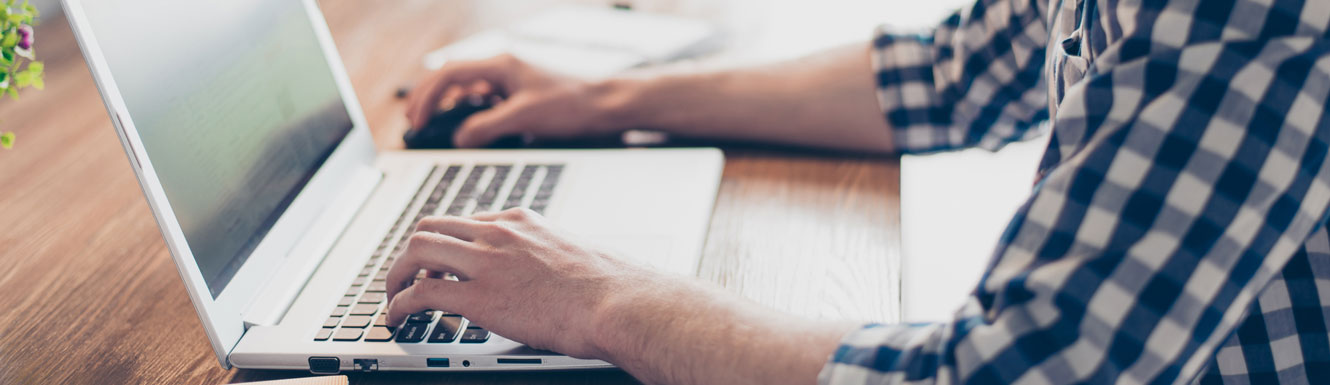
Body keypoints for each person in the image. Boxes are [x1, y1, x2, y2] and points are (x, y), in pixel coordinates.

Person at [385, 0, 1330, 383]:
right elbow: (947, 75)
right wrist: (606, 99)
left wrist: (601, 297)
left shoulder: (1246, 27)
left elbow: (999, 374)